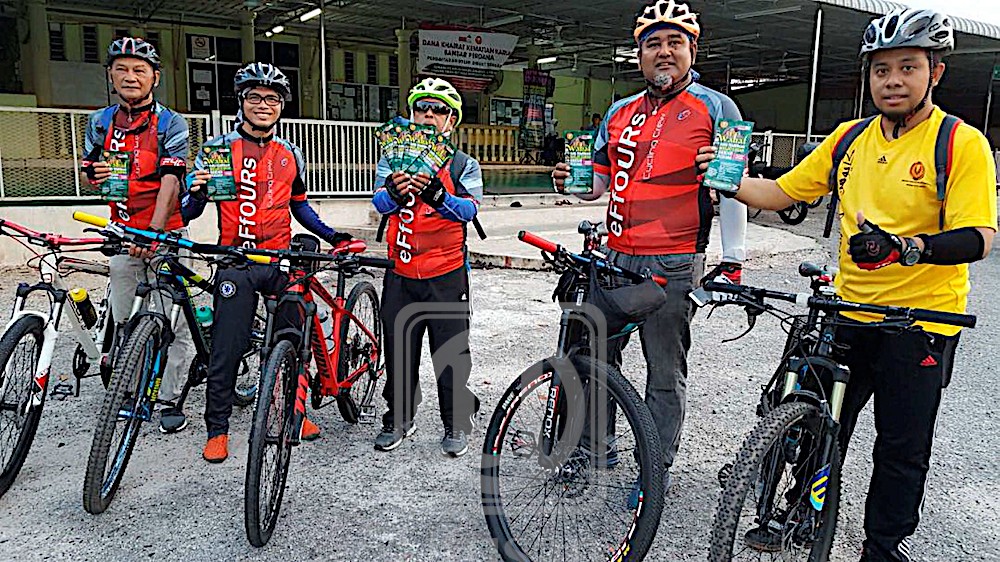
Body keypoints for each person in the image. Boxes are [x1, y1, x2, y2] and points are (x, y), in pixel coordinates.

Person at [697, 9, 997, 561]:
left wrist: (907, 247)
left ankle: (882, 546)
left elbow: (979, 237)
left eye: (908, 67)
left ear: (935, 72)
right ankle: (801, 512)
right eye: (881, 70)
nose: (893, 81)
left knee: (900, 448)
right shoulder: (849, 138)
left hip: (921, 323)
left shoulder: (960, 142)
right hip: (849, 312)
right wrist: (728, 179)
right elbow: (782, 194)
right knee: (819, 427)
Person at [551, 0, 748, 492]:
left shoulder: (717, 107)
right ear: (639, 55)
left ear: (692, 50)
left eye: (674, 42)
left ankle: (653, 469)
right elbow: (598, 183)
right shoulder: (620, 112)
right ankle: (595, 448)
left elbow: (733, 186)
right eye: (653, 44)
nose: (664, 52)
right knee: (595, 357)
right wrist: (571, 183)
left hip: (674, 261)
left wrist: (733, 257)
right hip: (615, 256)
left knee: (663, 371)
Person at [182, 62, 353, 463]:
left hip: (280, 259)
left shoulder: (290, 153)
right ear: (241, 101)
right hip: (236, 261)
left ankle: (294, 413)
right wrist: (196, 193)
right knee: (227, 347)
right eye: (255, 97)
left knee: (294, 337)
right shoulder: (217, 150)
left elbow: (300, 207)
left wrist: (334, 236)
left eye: (272, 98)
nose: (263, 105)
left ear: (281, 105)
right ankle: (217, 429)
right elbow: (189, 211)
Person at [81, 37, 195, 434]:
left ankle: (170, 396)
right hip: (121, 233)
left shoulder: (171, 123)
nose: (130, 77)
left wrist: (153, 232)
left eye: (139, 70)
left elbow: (172, 180)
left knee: (172, 319)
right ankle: (128, 391)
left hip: (166, 232)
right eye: (122, 69)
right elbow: (90, 169)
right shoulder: (99, 122)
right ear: (111, 76)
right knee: (125, 317)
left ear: (155, 78)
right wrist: (93, 174)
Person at [371, 77, 482, 457]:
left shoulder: (463, 163)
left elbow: (470, 210)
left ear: (452, 120)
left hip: (446, 273)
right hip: (400, 272)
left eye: (439, 110)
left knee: (450, 353)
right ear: (412, 114)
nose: (429, 115)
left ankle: (457, 421)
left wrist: (438, 195)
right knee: (399, 351)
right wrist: (392, 192)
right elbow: (378, 204)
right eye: (422, 108)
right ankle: (399, 417)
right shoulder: (393, 158)